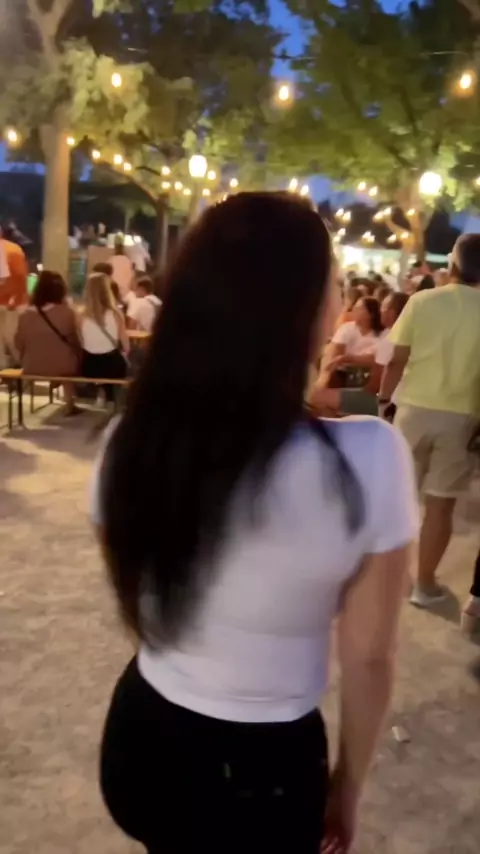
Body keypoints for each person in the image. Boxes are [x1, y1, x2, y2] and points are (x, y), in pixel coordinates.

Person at [91, 192, 417, 854]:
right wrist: (348, 787)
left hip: (143, 733)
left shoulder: (130, 443)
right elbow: (369, 657)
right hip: (263, 769)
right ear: (314, 310)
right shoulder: (369, 459)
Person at [380, 234, 480, 609]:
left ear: (452, 263)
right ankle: (424, 584)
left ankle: (386, 577)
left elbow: (396, 359)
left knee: (398, 498)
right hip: (463, 418)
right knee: (440, 506)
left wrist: (384, 401)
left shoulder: (421, 301)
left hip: (413, 410)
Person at [14, 271, 81, 416]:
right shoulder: (67, 313)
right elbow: (76, 341)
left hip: (32, 366)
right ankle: (70, 403)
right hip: (64, 367)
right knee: (69, 361)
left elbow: (18, 344)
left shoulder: (24, 315)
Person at [79, 272, 129, 401]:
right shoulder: (116, 313)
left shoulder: (80, 315)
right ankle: (109, 395)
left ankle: (100, 392)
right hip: (111, 365)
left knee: (95, 361)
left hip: (89, 365)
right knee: (118, 361)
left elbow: (81, 342)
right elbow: (126, 345)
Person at [323, 297, 383, 384]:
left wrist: (348, 359)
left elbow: (378, 359)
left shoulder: (382, 334)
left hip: (371, 377)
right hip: (344, 375)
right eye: (355, 308)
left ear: (371, 314)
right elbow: (336, 355)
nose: (354, 311)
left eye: (359, 309)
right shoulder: (347, 328)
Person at [0, 225, 28, 368]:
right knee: (12, 339)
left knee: (11, 339)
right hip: (13, 303)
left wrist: (14, 299)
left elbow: (19, 276)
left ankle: (14, 366)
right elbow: (21, 277)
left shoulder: (11, 250)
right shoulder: (13, 249)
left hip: (12, 304)